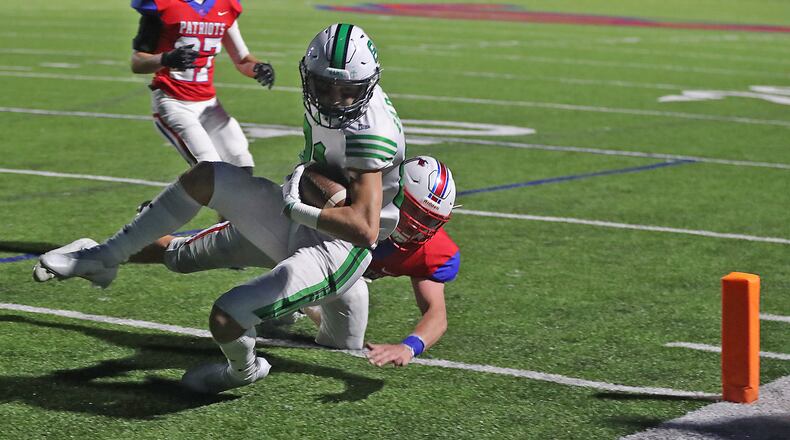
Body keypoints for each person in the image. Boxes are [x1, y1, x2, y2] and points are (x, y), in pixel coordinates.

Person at [36, 24, 405, 394]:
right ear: (309, 76)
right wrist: (296, 205)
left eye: (348, 91)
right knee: (204, 183)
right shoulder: (336, 95)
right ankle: (103, 255)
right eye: (325, 87)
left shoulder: (370, 130)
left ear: (367, 84)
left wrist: (294, 207)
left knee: (243, 319)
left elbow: (364, 229)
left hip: (339, 248)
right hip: (302, 213)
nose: (335, 100)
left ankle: (241, 372)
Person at [35, 156, 459, 367]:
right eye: (416, 214)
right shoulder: (360, 186)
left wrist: (409, 346)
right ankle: (99, 252)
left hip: (338, 272)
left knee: (342, 344)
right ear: (389, 193)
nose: (420, 227)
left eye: (430, 220)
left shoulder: (431, 247)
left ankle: (296, 303)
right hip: (293, 233)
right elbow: (309, 175)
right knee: (184, 255)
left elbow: (435, 312)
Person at [130, 0, 275, 171]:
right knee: (209, 169)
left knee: (242, 163)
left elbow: (242, 60)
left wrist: (258, 68)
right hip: (174, 101)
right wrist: (165, 59)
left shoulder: (226, 5)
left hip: (209, 104)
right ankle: (171, 199)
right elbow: (137, 62)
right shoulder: (164, 5)